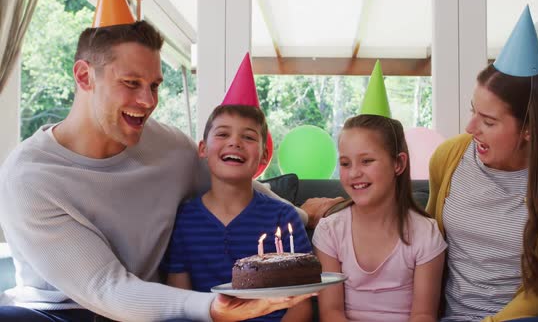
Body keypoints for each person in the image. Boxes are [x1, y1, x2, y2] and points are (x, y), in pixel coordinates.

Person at [0, 20, 312, 322]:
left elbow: (241, 191)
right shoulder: (30, 178)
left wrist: (304, 215)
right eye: (131, 83)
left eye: (154, 85)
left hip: (155, 306)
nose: (148, 101)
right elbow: (105, 288)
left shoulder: (169, 147)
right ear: (84, 76)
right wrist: (212, 309)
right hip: (60, 312)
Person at [426, 6, 538, 322]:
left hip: (536, 317)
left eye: (488, 121)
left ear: (529, 128)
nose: (470, 128)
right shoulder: (448, 158)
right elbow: (425, 235)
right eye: (473, 111)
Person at [161, 104, 313, 322]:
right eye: (223, 134)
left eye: (249, 137)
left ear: (264, 156)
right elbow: (180, 300)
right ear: (203, 148)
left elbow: (301, 306)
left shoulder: (283, 217)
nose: (235, 142)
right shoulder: (185, 219)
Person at [312, 114, 447, 321]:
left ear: (398, 164)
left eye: (366, 161)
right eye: (345, 164)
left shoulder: (425, 233)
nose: (354, 173)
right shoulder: (330, 230)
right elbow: (331, 313)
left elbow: (423, 315)